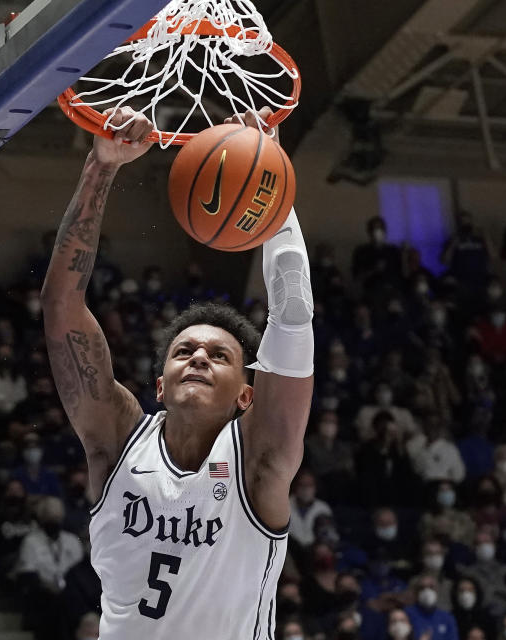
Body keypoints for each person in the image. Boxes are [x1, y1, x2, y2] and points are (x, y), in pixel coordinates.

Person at [40, 107, 314, 638]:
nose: (199, 357)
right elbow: (61, 307)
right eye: (185, 350)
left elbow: (294, 307)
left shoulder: (259, 461)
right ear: (160, 385)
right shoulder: (119, 442)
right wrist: (101, 166)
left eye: (221, 356)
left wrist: (269, 178)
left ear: (245, 397)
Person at [15, 497, 85, 640]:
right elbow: (28, 575)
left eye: (57, 518)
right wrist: (49, 586)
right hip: (44, 594)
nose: (54, 521)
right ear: (42, 518)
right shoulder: (31, 541)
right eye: (50, 517)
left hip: (70, 594)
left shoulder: (72, 541)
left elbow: (80, 572)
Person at [405, 574, 459, 640]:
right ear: (416, 592)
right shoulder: (406, 614)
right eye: (422, 588)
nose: (427, 591)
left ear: (437, 591)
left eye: (431, 587)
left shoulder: (447, 617)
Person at [288, 470, 332, 549]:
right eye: (302, 484)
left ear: (315, 487)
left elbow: (328, 535)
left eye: (309, 485)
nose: (305, 489)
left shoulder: (323, 508)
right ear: (295, 486)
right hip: (290, 550)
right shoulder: (285, 505)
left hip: (314, 551)